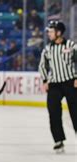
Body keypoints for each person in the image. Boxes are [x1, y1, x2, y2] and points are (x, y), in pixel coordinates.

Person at [38, 21, 77, 153]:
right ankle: (58, 140)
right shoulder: (48, 49)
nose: (48, 33)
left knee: (76, 112)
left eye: (51, 31)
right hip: (54, 84)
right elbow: (42, 65)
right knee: (53, 111)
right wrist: (44, 80)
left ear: (59, 33)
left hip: (71, 82)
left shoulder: (71, 45)